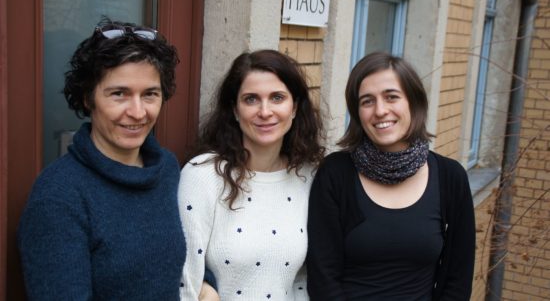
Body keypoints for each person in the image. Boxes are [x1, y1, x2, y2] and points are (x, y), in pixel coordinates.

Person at [17, 18, 217, 300]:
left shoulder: (166, 169)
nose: (137, 112)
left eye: (150, 94)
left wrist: (205, 285)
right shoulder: (58, 197)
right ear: (88, 98)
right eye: (119, 94)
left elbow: (176, 255)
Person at [306, 52, 475, 300]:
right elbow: (323, 276)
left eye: (391, 97)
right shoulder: (336, 173)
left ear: (413, 102)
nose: (380, 110)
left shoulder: (450, 177)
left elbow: (458, 280)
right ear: (357, 113)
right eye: (367, 101)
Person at [178, 49, 325, 300]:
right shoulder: (203, 175)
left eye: (277, 98)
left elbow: (304, 281)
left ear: (294, 108)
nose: (265, 111)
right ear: (235, 110)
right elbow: (184, 278)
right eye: (251, 99)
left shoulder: (309, 176)